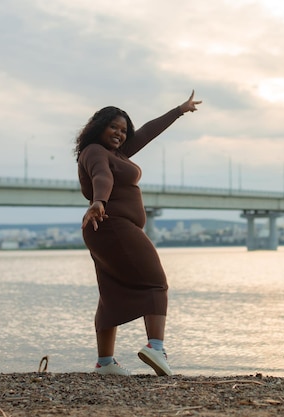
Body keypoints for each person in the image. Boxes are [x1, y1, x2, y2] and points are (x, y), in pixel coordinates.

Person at [74, 90, 202, 376]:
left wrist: (179, 110)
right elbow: (101, 176)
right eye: (113, 127)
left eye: (123, 129)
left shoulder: (116, 153)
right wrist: (99, 202)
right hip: (113, 225)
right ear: (98, 127)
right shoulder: (95, 152)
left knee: (111, 295)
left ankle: (105, 364)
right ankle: (156, 348)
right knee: (156, 284)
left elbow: (146, 132)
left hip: (107, 229)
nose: (119, 133)